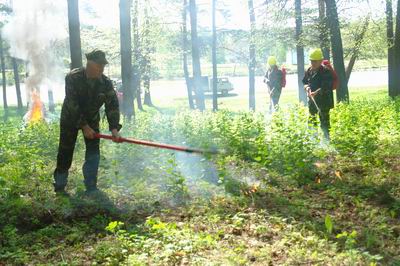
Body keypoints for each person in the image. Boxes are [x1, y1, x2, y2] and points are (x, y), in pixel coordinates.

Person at [53, 49, 121, 195]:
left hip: (92, 118)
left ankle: (91, 186)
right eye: (99, 66)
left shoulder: (106, 83)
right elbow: (72, 104)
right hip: (71, 118)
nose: (102, 69)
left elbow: (112, 105)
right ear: (90, 64)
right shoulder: (73, 78)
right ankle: (60, 185)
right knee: (65, 150)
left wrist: (114, 128)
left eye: (103, 66)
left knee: (93, 152)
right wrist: (84, 126)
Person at [302, 48, 334, 140]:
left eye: (315, 61)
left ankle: (327, 141)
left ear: (320, 61)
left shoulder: (326, 71)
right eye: (311, 61)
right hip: (312, 101)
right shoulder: (309, 70)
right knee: (311, 120)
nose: (313, 63)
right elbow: (304, 82)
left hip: (324, 101)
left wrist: (315, 93)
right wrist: (307, 88)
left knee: (324, 122)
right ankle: (313, 140)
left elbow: (326, 86)